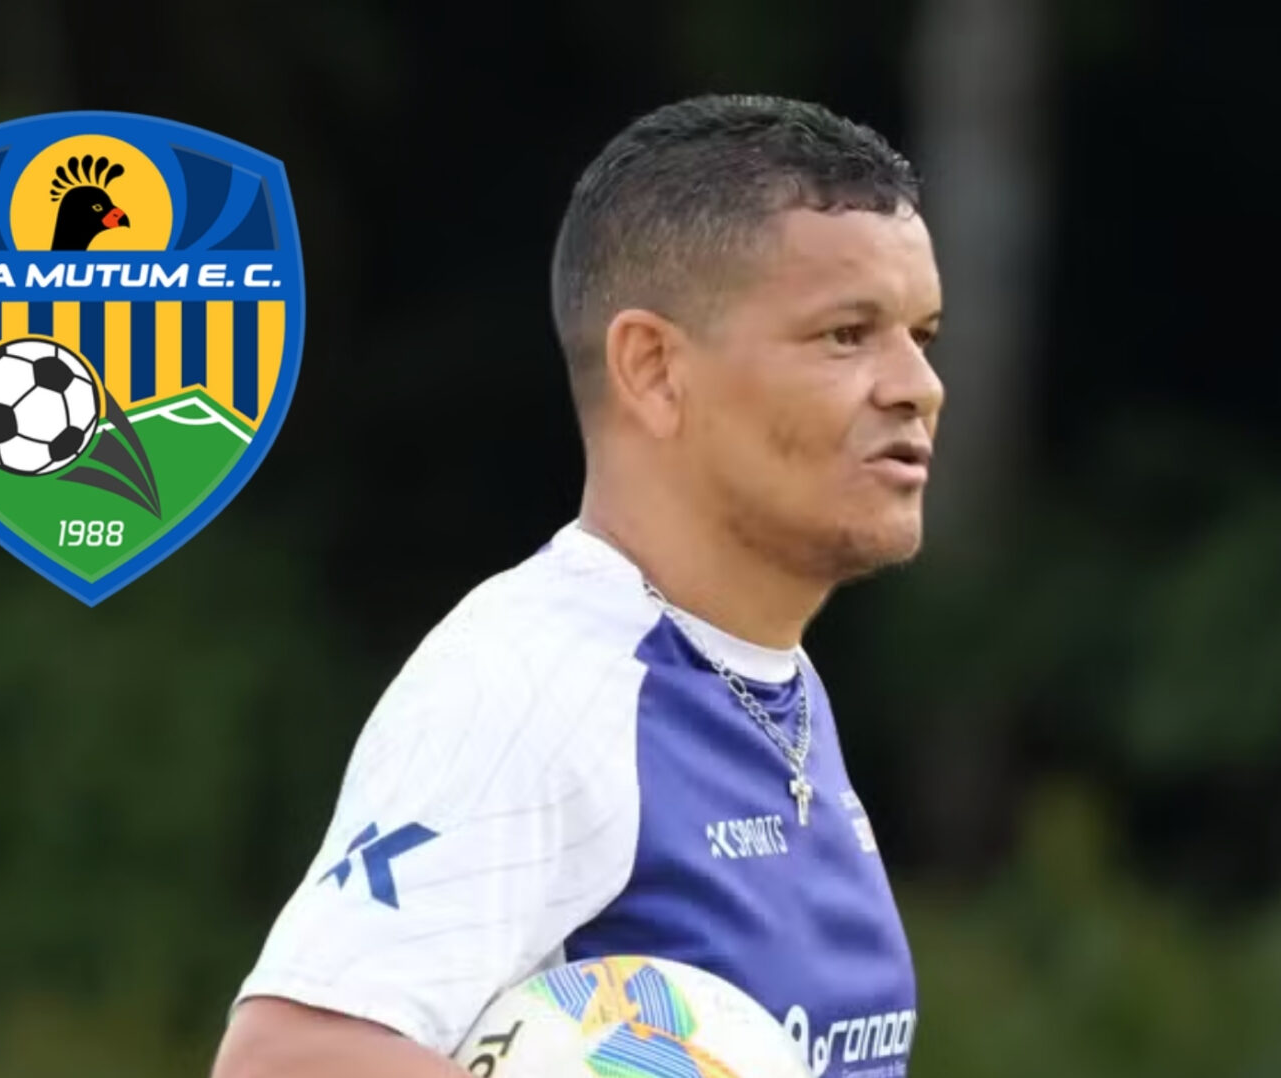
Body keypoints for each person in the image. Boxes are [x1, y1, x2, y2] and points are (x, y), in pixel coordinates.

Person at [212, 92, 944, 1078]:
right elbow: (284, 1060)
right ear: (653, 368)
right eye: (847, 334)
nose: (918, 385)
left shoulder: (775, 681)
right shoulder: (537, 680)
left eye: (922, 335)